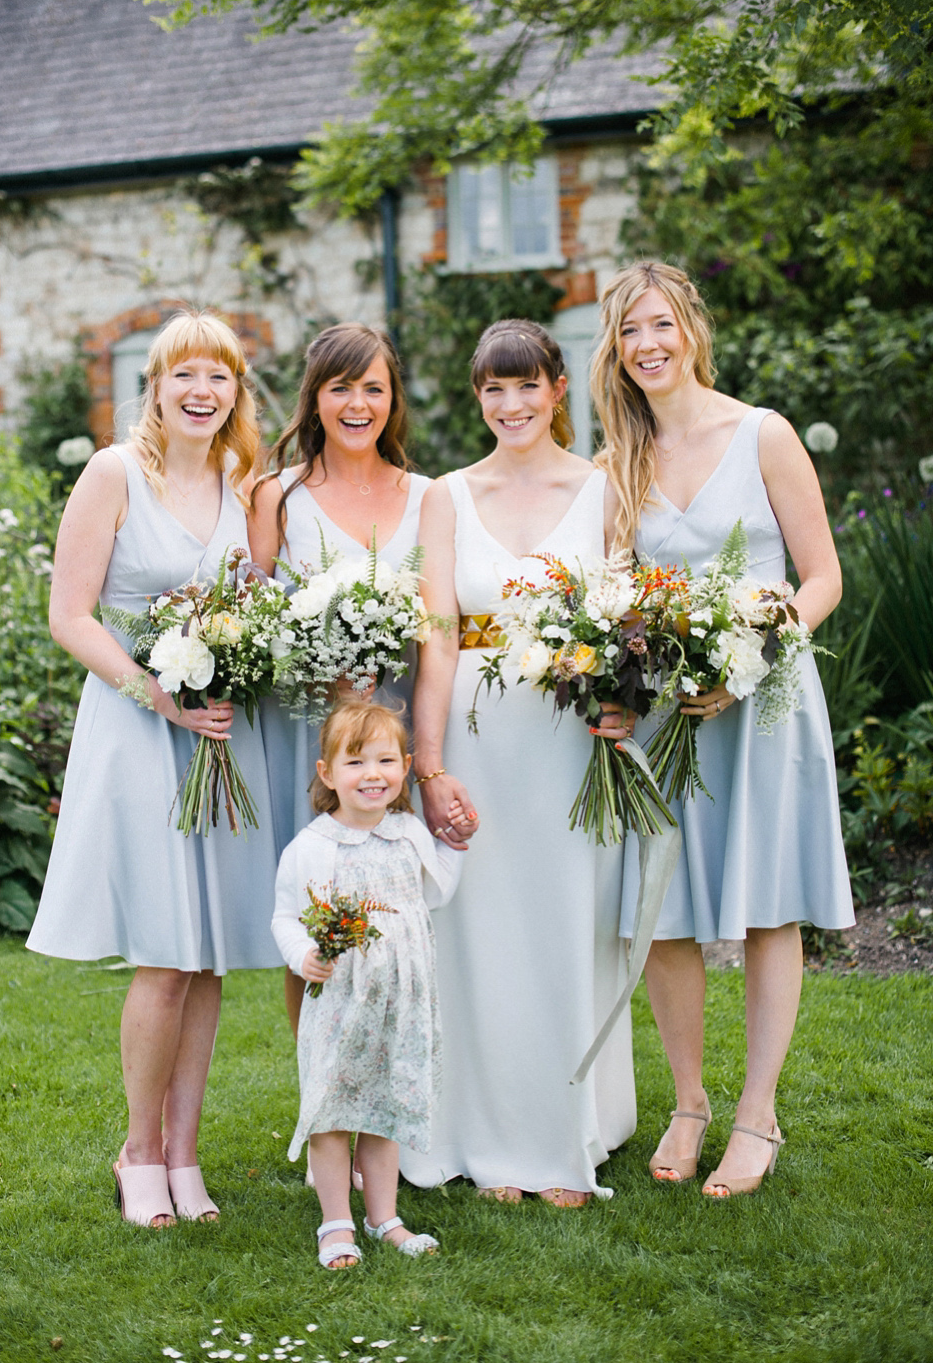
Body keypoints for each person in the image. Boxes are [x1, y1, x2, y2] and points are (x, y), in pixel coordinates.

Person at [591, 260, 854, 1197]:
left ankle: (757, 1113)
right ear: (614, 352)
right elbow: (612, 599)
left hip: (765, 706)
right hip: (667, 718)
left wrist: (752, 654)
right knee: (664, 911)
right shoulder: (618, 461)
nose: (648, 346)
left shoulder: (763, 435)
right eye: (629, 333)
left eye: (659, 324)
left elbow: (821, 576)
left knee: (763, 903)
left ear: (690, 329)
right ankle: (691, 1101)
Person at [27, 311, 282, 1228]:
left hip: (220, 731)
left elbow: (259, 602)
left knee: (207, 957)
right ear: (155, 386)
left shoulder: (243, 480)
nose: (202, 392)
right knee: (167, 955)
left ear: (235, 393)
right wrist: (156, 692)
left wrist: (244, 659)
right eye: (185, 375)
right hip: (142, 728)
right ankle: (137, 1150)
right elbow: (71, 613)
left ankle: (184, 1155)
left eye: (220, 377)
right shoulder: (113, 474)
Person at [403, 319, 637, 1207]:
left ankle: (566, 1132)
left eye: (526, 386)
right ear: (477, 397)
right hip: (474, 734)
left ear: (557, 390)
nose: (510, 406)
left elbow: (628, 620)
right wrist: (430, 766)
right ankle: (487, 1131)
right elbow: (437, 639)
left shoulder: (607, 487)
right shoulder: (446, 496)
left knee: (568, 924)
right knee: (481, 935)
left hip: (573, 735)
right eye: (493, 390)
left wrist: (624, 701)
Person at [249, 323, 436, 1035]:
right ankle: (322, 1099)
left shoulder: (427, 495)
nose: (358, 404)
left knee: (400, 910)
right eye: (340, 388)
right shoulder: (278, 496)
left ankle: (394, 1092)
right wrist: (323, 671)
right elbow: (260, 621)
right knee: (319, 914)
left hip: (398, 732)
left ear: (393, 400)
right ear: (315, 398)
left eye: (373, 388)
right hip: (311, 736)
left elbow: (439, 618)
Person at [272, 701, 470, 1268]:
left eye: (386, 760)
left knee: (386, 1107)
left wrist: (455, 847)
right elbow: (284, 916)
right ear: (327, 773)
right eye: (355, 762)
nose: (373, 774)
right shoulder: (313, 847)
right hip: (341, 1003)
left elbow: (434, 896)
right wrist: (304, 955)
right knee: (334, 1108)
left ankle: (386, 1217)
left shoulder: (409, 833)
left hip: (402, 1002)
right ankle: (336, 1223)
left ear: (406, 766)